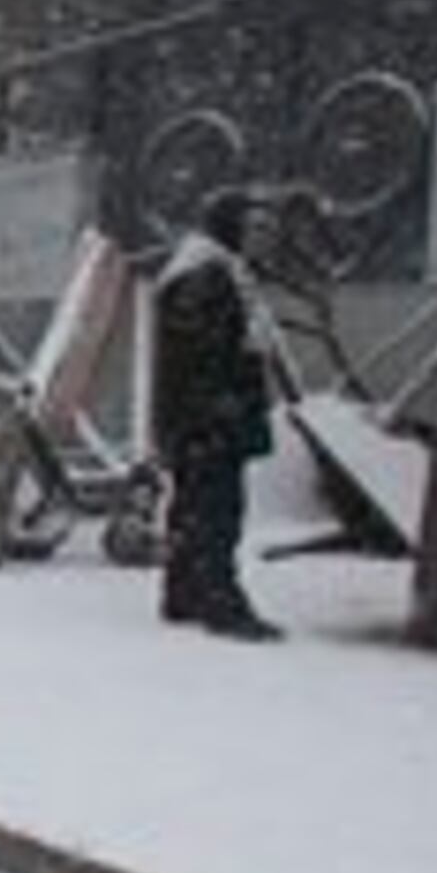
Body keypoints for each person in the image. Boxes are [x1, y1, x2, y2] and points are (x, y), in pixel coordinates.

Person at [148, 187, 283, 642]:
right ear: (230, 227)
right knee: (217, 511)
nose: (265, 238)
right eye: (256, 227)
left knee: (192, 507)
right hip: (211, 423)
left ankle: (184, 592)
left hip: (198, 421)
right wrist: (223, 404)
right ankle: (220, 602)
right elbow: (203, 354)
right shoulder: (211, 276)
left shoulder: (200, 270)